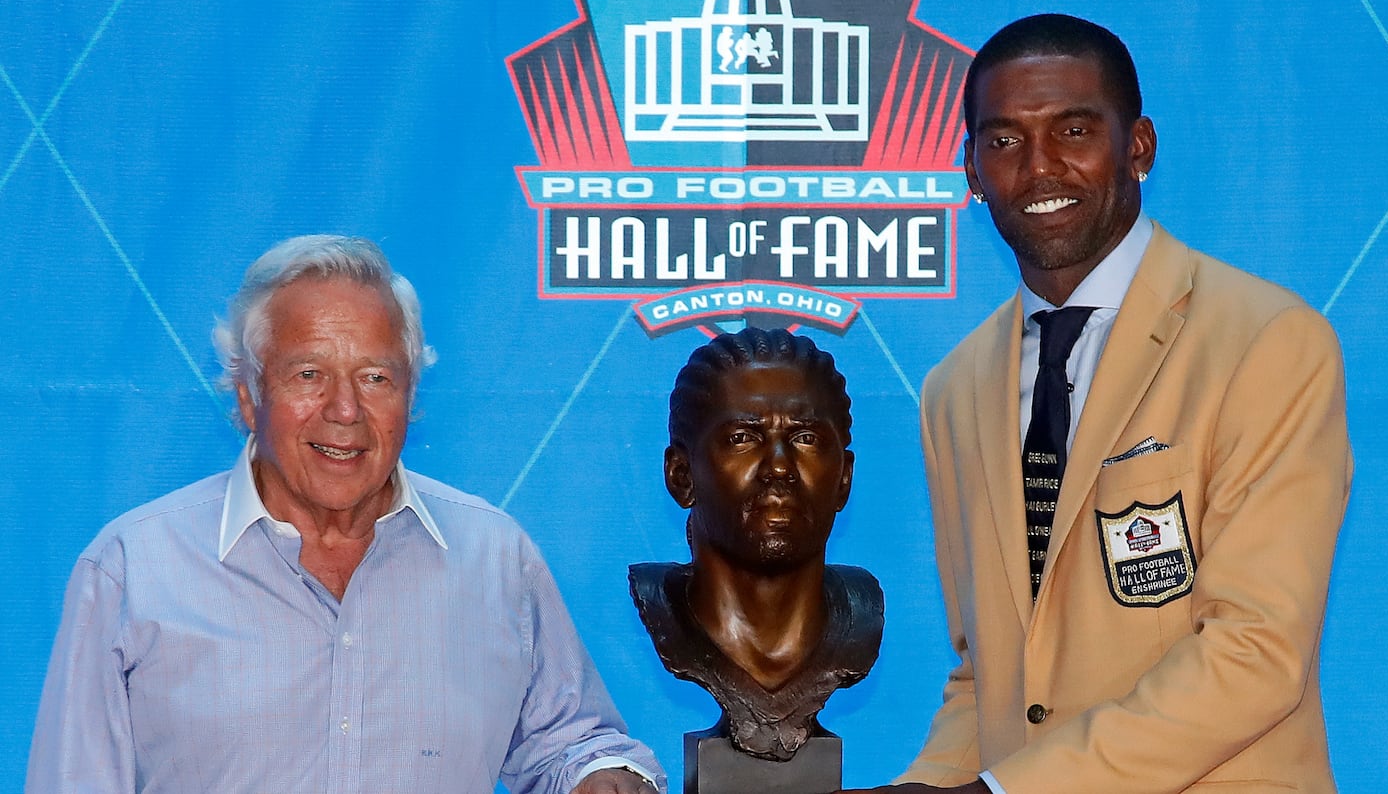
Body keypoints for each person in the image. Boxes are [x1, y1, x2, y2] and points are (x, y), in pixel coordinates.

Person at [840, 14, 1351, 794]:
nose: (1040, 169)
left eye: (1073, 131)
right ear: (971, 172)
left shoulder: (1268, 342)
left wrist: (1007, 791)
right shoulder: (952, 390)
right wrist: (927, 784)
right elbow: (993, 674)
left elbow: (1255, 652)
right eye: (1004, 141)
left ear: (1137, 147)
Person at [26, 235, 665, 793]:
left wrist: (601, 775)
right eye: (308, 374)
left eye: (375, 378)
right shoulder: (133, 569)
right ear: (249, 396)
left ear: (411, 394)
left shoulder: (495, 557)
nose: (344, 410)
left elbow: (570, 744)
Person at [630, 328, 882, 761]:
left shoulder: (860, 614)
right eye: (743, 438)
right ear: (681, 476)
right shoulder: (664, 607)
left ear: (844, 479)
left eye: (805, 438)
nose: (779, 467)